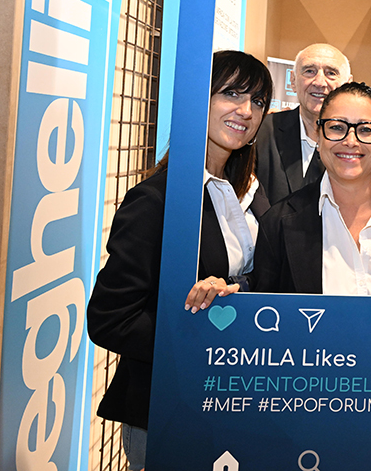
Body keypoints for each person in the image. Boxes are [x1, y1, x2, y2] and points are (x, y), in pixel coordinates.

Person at [87, 50, 274, 471]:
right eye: (231, 93)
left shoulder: (249, 193)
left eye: (258, 101)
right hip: (168, 409)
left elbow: (255, 277)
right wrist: (204, 342)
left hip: (233, 404)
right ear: (197, 99)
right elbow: (109, 319)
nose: (246, 111)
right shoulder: (157, 200)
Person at [252, 82, 371, 296]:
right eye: (337, 127)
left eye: (366, 130)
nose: (350, 141)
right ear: (319, 136)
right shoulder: (278, 222)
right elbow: (266, 310)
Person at [256, 43, 352, 205]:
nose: (319, 82)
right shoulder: (262, 131)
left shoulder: (357, 143)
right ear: (293, 80)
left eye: (331, 73)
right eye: (309, 71)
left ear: (347, 84)